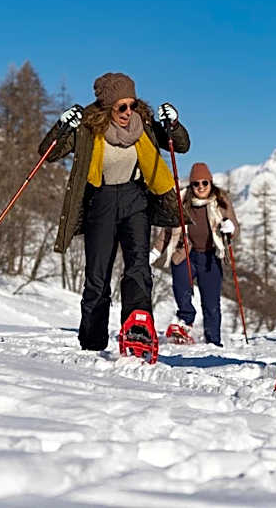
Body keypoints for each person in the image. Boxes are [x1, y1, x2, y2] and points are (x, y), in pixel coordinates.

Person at [38, 72, 190, 352]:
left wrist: (173, 124)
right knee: (97, 275)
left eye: (132, 105)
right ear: (108, 107)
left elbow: (180, 145)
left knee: (139, 268)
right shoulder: (88, 129)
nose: (128, 112)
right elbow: (48, 153)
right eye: (122, 107)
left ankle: (137, 328)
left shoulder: (143, 124)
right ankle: (92, 340)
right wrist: (62, 126)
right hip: (102, 202)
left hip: (136, 200)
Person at [151, 162, 238, 346]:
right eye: (196, 183)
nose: (200, 187)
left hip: (211, 257)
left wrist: (229, 228)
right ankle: (185, 320)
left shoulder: (221, 201)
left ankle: (213, 341)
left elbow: (234, 227)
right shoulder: (182, 201)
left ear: (210, 182)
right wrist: (155, 252)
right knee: (181, 287)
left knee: (211, 303)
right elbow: (167, 231)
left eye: (204, 183)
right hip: (186, 254)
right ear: (191, 185)